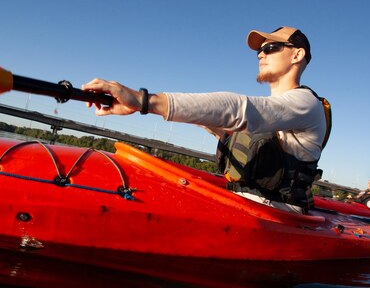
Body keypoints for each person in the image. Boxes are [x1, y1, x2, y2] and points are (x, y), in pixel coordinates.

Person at [82, 26, 330, 214]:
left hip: (277, 214)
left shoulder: (306, 103)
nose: (260, 55)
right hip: (245, 204)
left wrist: (143, 100)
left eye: (270, 48)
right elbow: (231, 132)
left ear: (297, 54)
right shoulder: (273, 114)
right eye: (258, 50)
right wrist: (139, 108)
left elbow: (239, 109)